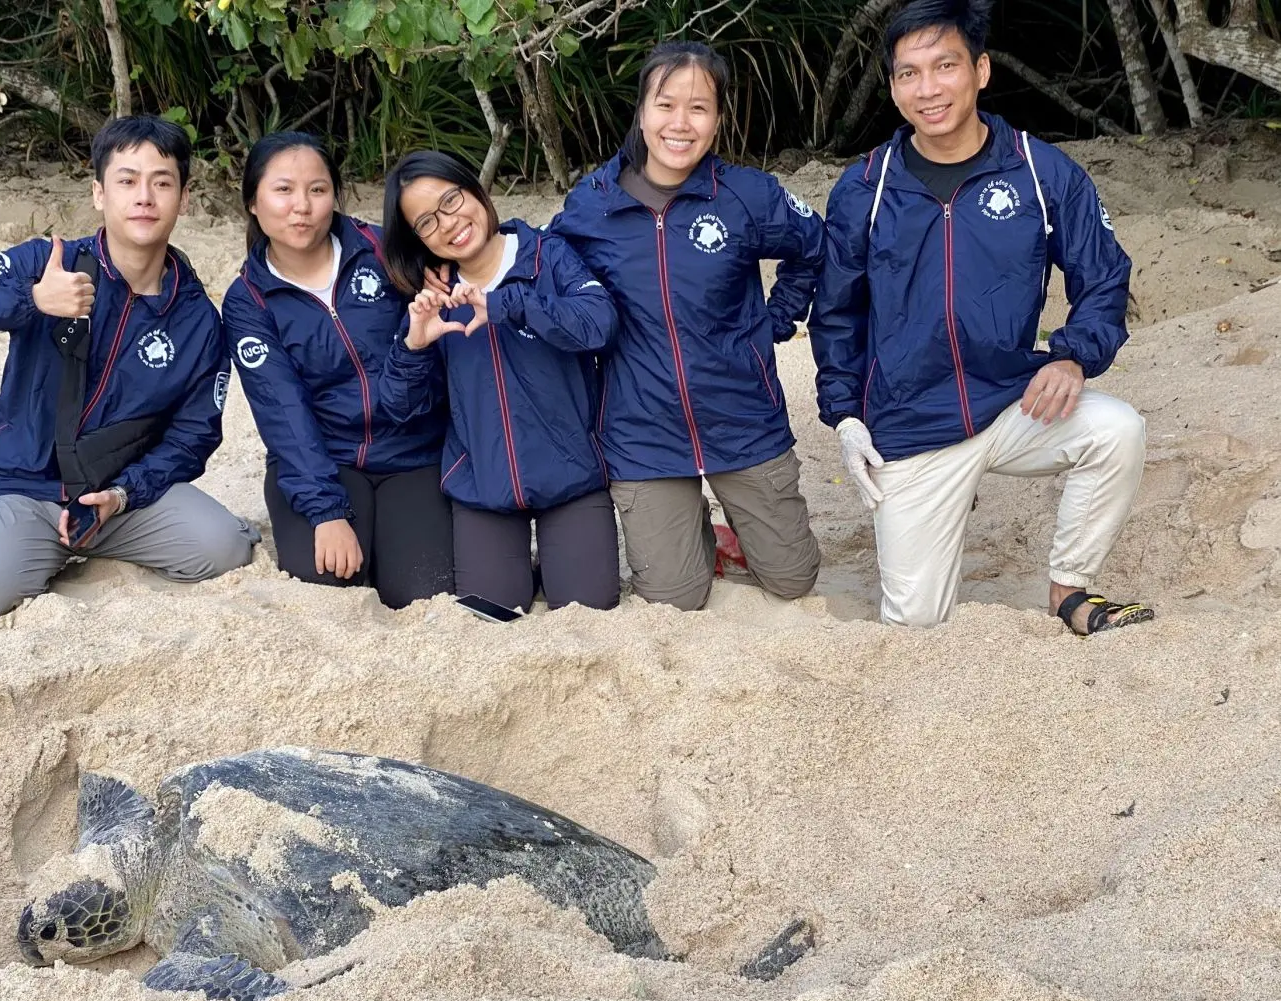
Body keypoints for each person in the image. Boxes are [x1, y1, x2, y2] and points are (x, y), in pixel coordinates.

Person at [809, 0, 1155, 635]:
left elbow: (1105, 274)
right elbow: (836, 313)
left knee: (1117, 430)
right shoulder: (866, 187)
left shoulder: (1039, 170)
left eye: (945, 66)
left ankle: (1069, 591)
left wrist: (1074, 352)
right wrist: (847, 416)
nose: (928, 88)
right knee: (915, 626)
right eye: (908, 73)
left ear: (982, 71)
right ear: (892, 86)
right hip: (911, 423)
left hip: (1010, 399)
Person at [0, 115, 258, 620]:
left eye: (161, 183)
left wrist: (122, 494)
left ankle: (91, 538)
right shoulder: (51, 262)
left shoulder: (197, 320)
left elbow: (192, 437)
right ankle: (19, 546)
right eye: (127, 180)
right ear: (99, 193)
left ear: (183, 199)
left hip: (118, 498)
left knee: (224, 547)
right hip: (24, 482)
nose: (144, 197)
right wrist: (32, 298)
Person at [550, 41, 827, 612]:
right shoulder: (590, 207)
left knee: (793, 581)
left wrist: (778, 317)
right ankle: (690, 527)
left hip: (743, 421)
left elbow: (816, 245)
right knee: (676, 600)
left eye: (699, 108)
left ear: (719, 118)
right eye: (665, 104)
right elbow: (545, 272)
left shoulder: (746, 194)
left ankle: (735, 532)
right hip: (643, 435)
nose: (680, 123)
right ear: (642, 111)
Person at [379, 151, 621, 614]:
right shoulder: (433, 298)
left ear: (475, 188)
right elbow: (399, 408)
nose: (449, 224)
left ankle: (552, 564)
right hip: (482, 485)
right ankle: (522, 570)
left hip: (571, 476)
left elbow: (600, 322)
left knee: (589, 607)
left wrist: (509, 305)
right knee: (492, 612)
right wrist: (414, 348)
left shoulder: (546, 255)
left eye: (452, 200)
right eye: (427, 222)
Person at [221, 132, 454, 609]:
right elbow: (283, 411)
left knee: (419, 594)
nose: (301, 206)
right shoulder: (248, 300)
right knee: (331, 587)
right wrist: (326, 513)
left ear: (335, 195)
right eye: (283, 190)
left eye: (317, 189)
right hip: (326, 458)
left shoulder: (386, 249)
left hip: (414, 453)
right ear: (253, 202)